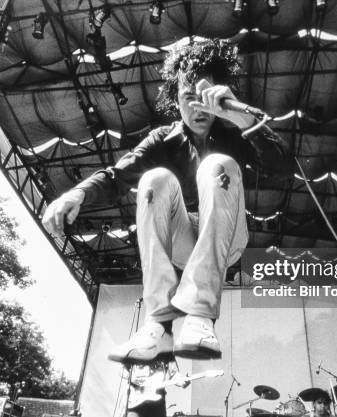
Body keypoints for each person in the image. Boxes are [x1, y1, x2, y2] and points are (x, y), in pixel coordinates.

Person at [42, 38, 291, 363]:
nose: (199, 109)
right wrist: (78, 193)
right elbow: (118, 176)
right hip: (185, 241)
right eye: (189, 98)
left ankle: (201, 318)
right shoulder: (161, 140)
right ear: (176, 99)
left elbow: (284, 167)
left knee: (217, 165)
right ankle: (157, 325)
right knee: (154, 180)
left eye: (205, 99)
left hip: (227, 236)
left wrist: (241, 118)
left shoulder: (234, 134)